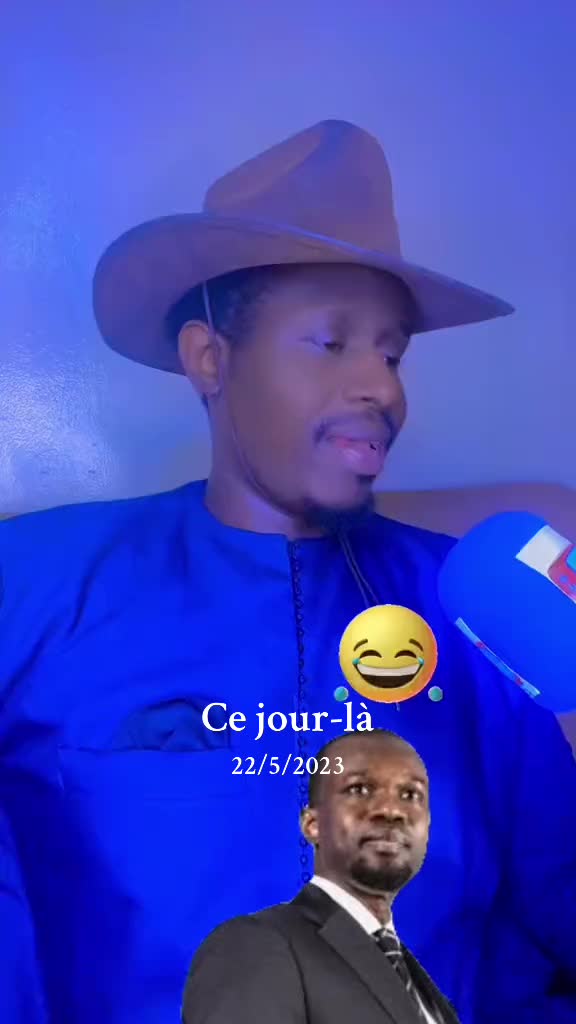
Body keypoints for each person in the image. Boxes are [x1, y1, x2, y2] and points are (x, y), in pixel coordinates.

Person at [0, 119, 575, 1024]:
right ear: (210, 359)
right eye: (332, 342)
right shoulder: (38, 589)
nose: (382, 387)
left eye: (391, 352)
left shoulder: (480, 609)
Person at [182, 728, 461, 1024]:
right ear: (312, 824)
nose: (391, 810)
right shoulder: (254, 946)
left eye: (410, 794)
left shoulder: (427, 993)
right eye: (359, 789)